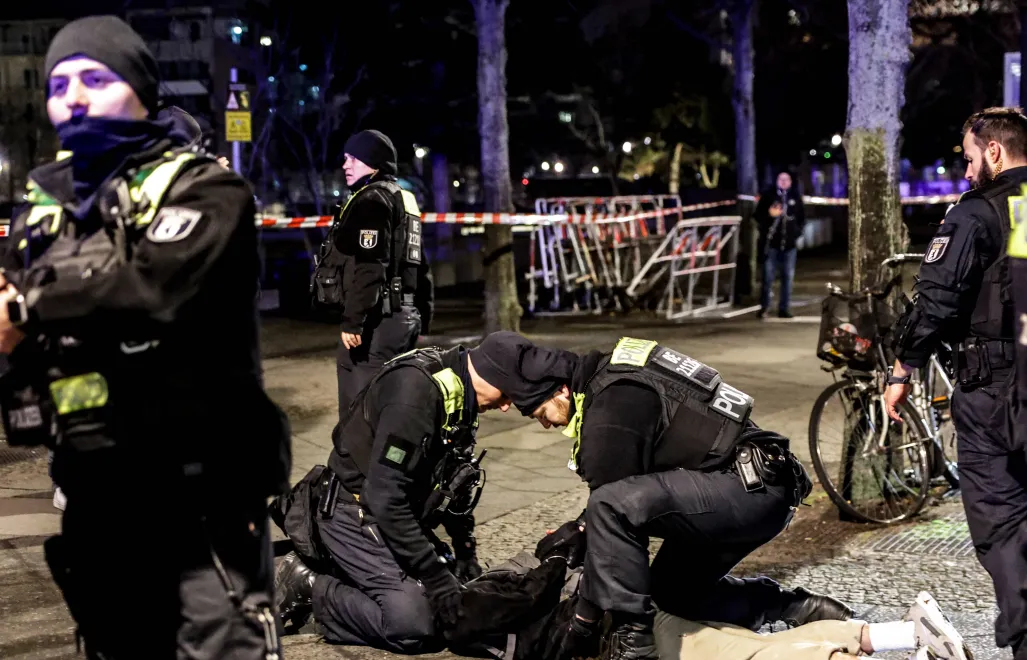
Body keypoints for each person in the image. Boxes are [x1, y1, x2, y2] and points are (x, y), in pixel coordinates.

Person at [0, 16, 291, 659]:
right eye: (58, 83)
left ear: (142, 89)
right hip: (93, 485)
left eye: (95, 78)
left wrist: (28, 305)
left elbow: (154, 290)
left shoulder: (206, 187)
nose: (73, 96)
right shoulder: (41, 206)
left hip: (201, 494)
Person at [437, 332, 848, 660]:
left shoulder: (609, 411)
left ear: (561, 391)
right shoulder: (614, 374)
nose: (543, 425)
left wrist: (582, 623)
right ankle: (797, 609)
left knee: (610, 508)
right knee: (671, 598)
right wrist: (580, 530)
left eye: (537, 412)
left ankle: (632, 646)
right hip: (754, 484)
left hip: (748, 489)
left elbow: (611, 512)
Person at [274, 338, 541, 652]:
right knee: (413, 624)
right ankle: (312, 585)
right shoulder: (415, 394)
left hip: (395, 514)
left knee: (455, 607)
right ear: (486, 372)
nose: (506, 405)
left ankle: (357, 576)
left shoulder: (461, 392)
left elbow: (455, 480)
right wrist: (434, 575)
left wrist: (464, 549)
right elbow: (384, 498)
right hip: (352, 511)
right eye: (505, 393)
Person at [883, 107, 1027, 660]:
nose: (966, 171)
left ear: (994, 151)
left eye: (969, 158)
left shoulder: (978, 212)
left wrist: (902, 369)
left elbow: (937, 301)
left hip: (993, 393)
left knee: (1003, 526)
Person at [310, 129, 434, 424]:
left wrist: (354, 320)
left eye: (353, 158)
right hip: (404, 317)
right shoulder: (404, 198)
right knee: (392, 408)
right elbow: (420, 264)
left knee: (360, 417)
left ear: (375, 164)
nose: (346, 165)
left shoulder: (371, 201)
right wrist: (425, 314)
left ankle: (360, 470)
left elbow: (371, 264)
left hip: (377, 322)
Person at [756, 170, 806, 319]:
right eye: (781, 179)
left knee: (787, 277)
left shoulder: (795, 197)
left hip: (789, 246)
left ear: (790, 182)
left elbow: (802, 218)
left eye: (786, 179)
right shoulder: (768, 196)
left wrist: (796, 233)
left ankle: (784, 308)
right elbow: (757, 216)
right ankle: (764, 307)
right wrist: (769, 215)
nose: (784, 182)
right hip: (772, 244)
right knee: (768, 277)